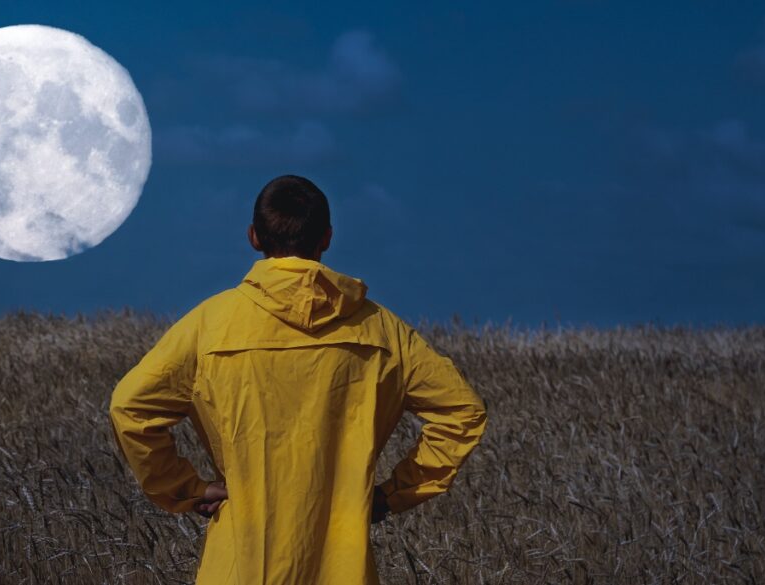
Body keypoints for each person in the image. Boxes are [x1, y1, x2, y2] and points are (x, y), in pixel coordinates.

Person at [108, 175, 488, 584]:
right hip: (343, 570)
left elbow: (129, 406)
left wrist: (185, 488)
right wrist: (392, 494)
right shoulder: (381, 331)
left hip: (238, 566)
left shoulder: (210, 325)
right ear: (326, 238)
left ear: (254, 237)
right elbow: (463, 413)